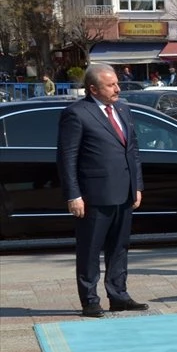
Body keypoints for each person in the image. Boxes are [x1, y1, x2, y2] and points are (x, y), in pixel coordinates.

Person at [56, 62, 147, 318]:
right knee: (90, 249)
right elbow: (67, 157)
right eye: (111, 85)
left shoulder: (122, 109)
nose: (118, 88)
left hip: (124, 192)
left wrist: (137, 185)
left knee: (120, 248)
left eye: (117, 83)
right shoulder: (77, 113)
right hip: (94, 195)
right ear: (93, 89)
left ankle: (118, 295)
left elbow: (133, 151)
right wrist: (73, 194)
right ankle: (90, 300)